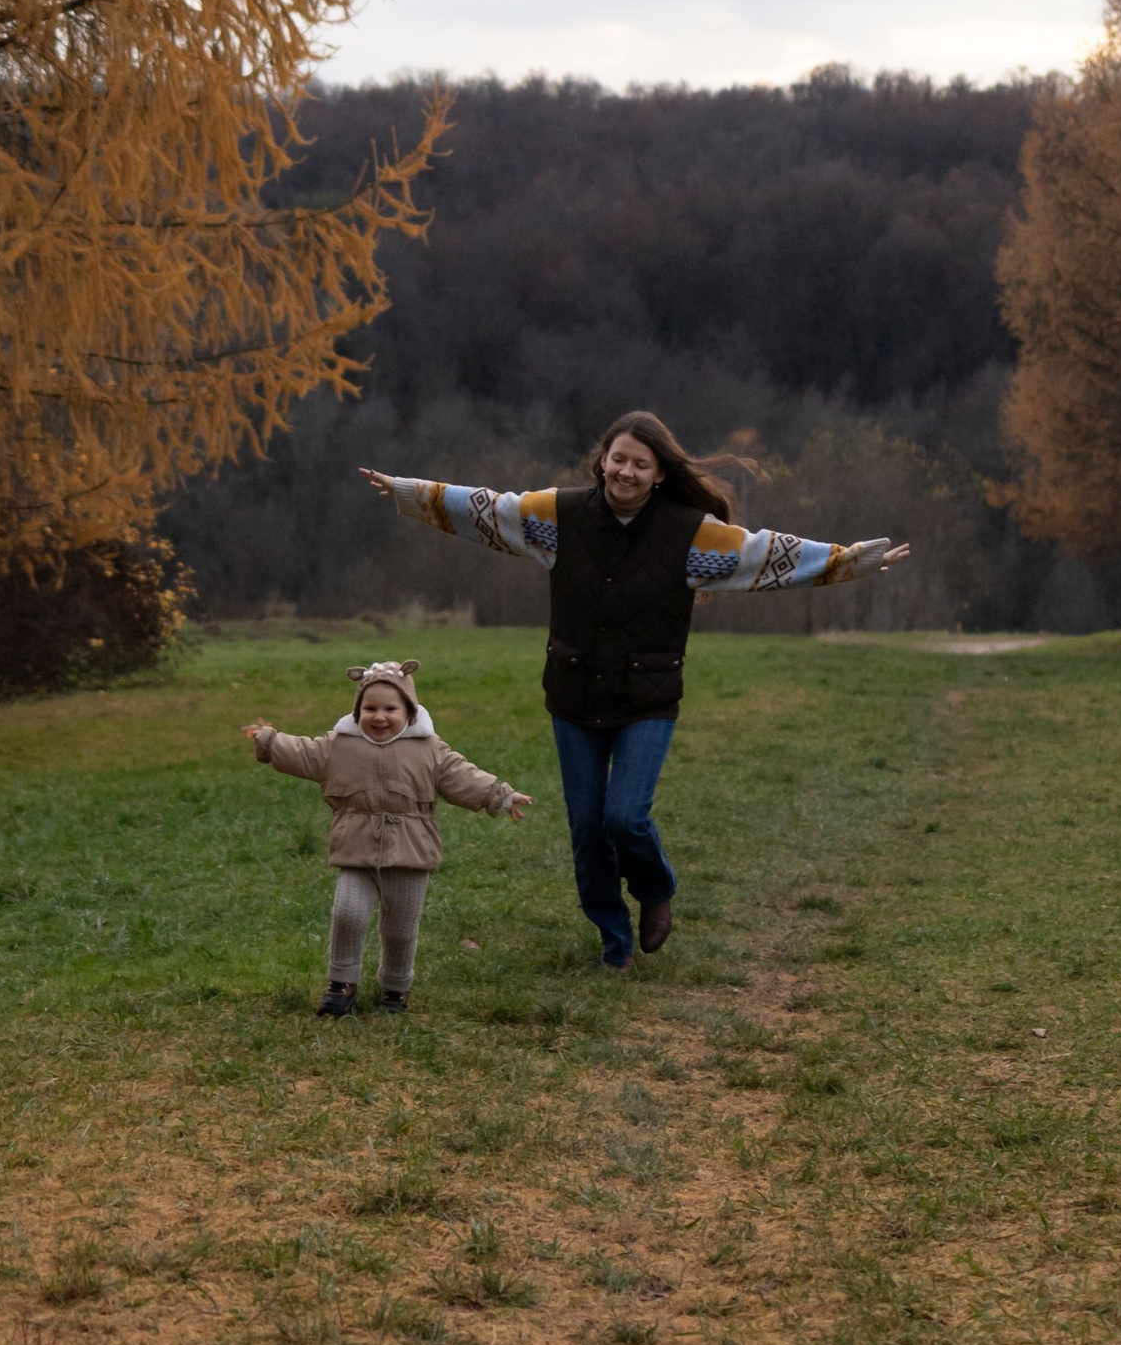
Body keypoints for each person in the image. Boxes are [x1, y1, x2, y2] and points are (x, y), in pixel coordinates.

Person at [363, 414, 907, 971]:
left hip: (647, 699)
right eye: (618, 459)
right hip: (574, 695)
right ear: (602, 461)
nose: (626, 471)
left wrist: (853, 561)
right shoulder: (558, 515)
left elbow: (767, 553)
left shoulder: (691, 533)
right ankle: (614, 942)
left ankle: (655, 888)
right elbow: (487, 508)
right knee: (587, 828)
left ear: (659, 474)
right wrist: (410, 491)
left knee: (625, 817)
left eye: (640, 464)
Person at [243, 657, 531, 1017]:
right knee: (347, 913)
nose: (379, 717)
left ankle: (395, 988)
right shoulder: (339, 746)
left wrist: (501, 795)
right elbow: (303, 751)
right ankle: (341, 982)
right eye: (370, 709)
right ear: (358, 711)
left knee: (400, 929)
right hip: (356, 849)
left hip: (411, 852)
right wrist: (269, 741)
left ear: (409, 711)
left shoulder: (429, 749)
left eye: (390, 709)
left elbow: (462, 776)